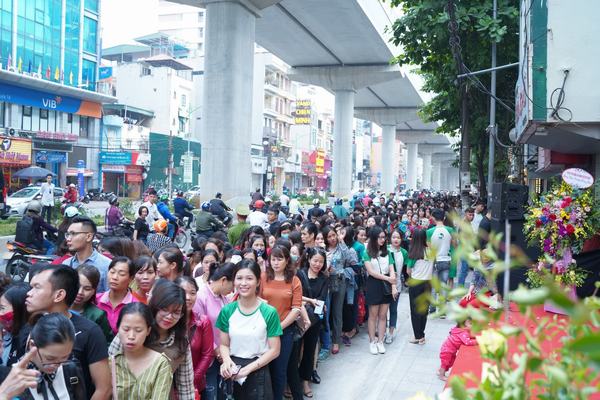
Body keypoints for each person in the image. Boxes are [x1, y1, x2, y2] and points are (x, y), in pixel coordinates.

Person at [19, 264, 111, 399]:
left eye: (37, 287)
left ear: (59, 295)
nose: (29, 293)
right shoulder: (30, 327)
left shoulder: (90, 332)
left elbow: (104, 389)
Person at [109, 280, 195, 400]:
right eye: (164, 309)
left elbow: (185, 387)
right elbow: (110, 364)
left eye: (176, 312)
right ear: (155, 306)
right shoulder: (134, 330)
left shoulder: (181, 342)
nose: (169, 317)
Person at [216, 260, 282, 400]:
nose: (243, 283)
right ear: (234, 281)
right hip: (233, 370)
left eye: (249, 278)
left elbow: (275, 350)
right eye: (239, 278)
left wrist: (248, 369)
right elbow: (224, 344)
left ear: (258, 282)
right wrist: (226, 361)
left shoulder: (269, 312)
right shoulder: (227, 311)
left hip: (258, 369)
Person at [260, 246, 302, 400]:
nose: (276, 263)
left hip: (285, 331)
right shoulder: (263, 277)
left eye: (280, 259)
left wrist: (278, 327)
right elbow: (256, 300)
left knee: (279, 371)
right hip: (262, 331)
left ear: (287, 260)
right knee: (264, 371)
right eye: (273, 259)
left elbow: (296, 308)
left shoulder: (294, 280)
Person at [111, 302, 174, 399]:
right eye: (126, 329)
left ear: (148, 331)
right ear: (118, 328)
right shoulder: (111, 363)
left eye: (138, 330)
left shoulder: (160, 364)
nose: (131, 336)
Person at [21, 313, 88, 399]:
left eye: (65, 357)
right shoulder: (14, 378)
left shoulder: (69, 369)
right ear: (32, 345)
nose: (56, 365)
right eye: (50, 358)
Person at [193, 262, 234, 400]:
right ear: (224, 280)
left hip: (223, 354)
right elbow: (199, 330)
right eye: (232, 286)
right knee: (211, 393)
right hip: (208, 355)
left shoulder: (224, 298)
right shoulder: (201, 296)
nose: (233, 290)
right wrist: (217, 351)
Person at [297, 247, 328, 398]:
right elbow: (295, 296)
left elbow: (321, 301)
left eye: (321, 262)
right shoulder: (300, 274)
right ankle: (291, 382)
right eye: (315, 260)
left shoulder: (324, 278)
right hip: (297, 318)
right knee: (295, 351)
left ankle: (305, 381)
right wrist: (310, 300)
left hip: (314, 319)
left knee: (309, 351)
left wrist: (310, 302)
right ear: (309, 259)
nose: (317, 264)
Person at [175, 276, 214, 395]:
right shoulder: (168, 320)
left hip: (194, 386)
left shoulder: (203, 322)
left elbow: (207, 355)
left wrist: (190, 381)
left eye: (192, 293)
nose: (188, 297)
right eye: (183, 292)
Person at [322, 225, 357, 354]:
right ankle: (325, 341)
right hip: (325, 282)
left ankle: (336, 341)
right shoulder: (323, 249)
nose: (332, 238)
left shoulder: (341, 247)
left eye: (333, 235)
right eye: (329, 236)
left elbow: (351, 259)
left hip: (340, 281)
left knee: (337, 312)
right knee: (326, 312)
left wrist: (342, 242)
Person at [363, 226, 397, 355]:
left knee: (383, 316)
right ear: (373, 238)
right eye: (379, 237)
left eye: (383, 237)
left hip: (386, 285)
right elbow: (371, 272)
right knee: (373, 316)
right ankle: (372, 341)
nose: (382, 240)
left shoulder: (388, 253)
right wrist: (388, 279)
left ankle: (380, 341)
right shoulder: (367, 253)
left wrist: (393, 284)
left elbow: (392, 269)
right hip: (374, 284)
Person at [63, 216, 111, 293]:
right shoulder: (66, 264)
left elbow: (109, 296)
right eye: (67, 234)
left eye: (73, 234)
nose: (68, 239)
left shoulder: (106, 265)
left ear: (89, 237)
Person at [71, 264, 113, 343]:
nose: (80, 292)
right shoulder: (57, 307)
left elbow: (106, 343)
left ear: (94, 291)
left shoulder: (98, 315)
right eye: (77, 286)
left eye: (87, 289)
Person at [96, 257, 139, 334]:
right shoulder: (96, 299)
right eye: (112, 272)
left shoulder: (136, 306)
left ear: (131, 278)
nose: (114, 277)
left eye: (121, 274)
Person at [406, 229, 434, 345]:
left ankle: (418, 336)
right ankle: (421, 335)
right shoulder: (431, 251)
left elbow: (408, 271)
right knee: (424, 310)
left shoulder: (414, 253)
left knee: (415, 310)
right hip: (428, 283)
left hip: (416, 283)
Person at [427, 208, 456, 309]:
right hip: (446, 260)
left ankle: (432, 308)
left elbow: (429, 248)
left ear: (433, 218)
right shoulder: (450, 230)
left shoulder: (429, 232)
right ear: (444, 218)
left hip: (435, 261)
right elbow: (455, 245)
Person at [386, 229, 408, 343]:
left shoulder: (404, 252)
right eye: (394, 237)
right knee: (383, 311)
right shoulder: (385, 249)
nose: (396, 239)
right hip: (384, 284)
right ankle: (382, 330)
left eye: (398, 237)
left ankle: (390, 332)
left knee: (393, 309)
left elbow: (405, 269)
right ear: (390, 238)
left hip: (397, 284)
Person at [0, 284, 29, 366]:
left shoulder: (26, 341)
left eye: (2, 308)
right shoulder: (5, 334)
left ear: (19, 310)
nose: (0, 313)